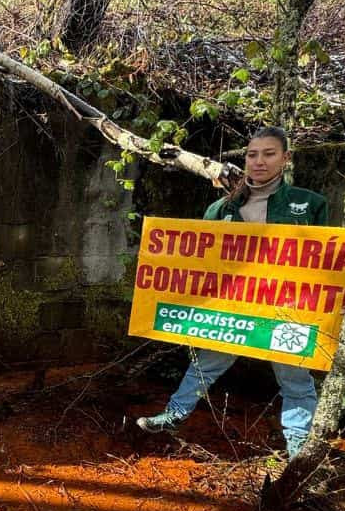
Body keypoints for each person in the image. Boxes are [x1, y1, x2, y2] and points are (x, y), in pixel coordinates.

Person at [136, 126, 326, 457]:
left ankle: (297, 446)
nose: (259, 162)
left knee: (294, 376)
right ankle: (174, 415)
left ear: (285, 158)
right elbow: (202, 262)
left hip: (286, 308)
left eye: (269, 154)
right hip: (232, 307)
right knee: (204, 364)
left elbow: (326, 263)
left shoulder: (310, 204)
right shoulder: (220, 208)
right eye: (252, 154)